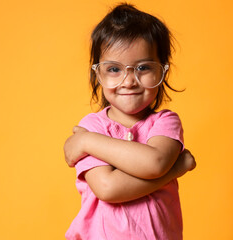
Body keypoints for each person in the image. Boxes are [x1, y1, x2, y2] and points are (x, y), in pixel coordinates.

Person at [64, 3, 196, 240]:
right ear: (99, 75)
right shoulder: (92, 127)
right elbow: (108, 188)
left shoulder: (165, 123)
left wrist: (86, 143)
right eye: (114, 69)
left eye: (143, 67)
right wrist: (176, 168)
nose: (129, 81)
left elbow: (154, 162)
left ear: (162, 71)